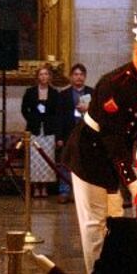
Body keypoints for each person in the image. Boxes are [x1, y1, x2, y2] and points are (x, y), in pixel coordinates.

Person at [62, 28, 137, 274]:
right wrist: (133, 183)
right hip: (89, 155)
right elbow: (111, 137)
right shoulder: (113, 84)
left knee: (116, 219)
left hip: (115, 155)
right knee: (94, 223)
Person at [55, 63, 94, 203]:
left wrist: (87, 109)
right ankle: (64, 191)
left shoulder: (92, 92)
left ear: (85, 77)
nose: (79, 77)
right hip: (69, 133)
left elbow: (97, 114)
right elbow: (58, 117)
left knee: (86, 164)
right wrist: (58, 137)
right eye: (76, 75)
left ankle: (84, 193)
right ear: (71, 77)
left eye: (81, 75)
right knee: (66, 163)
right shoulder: (63, 95)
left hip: (87, 133)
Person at [21, 64, 60, 198]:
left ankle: (44, 187)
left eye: (46, 74)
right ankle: (35, 187)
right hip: (34, 130)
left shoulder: (54, 93)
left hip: (49, 131)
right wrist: (32, 119)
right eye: (41, 74)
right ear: (37, 77)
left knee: (47, 160)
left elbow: (57, 112)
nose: (44, 76)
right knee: (35, 160)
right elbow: (24, 109)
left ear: (49, 77)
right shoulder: (30, 92)